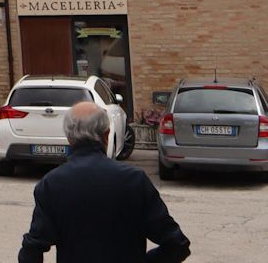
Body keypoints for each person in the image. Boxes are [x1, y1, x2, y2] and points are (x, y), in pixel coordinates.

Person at [18, 101, 190, 263]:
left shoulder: (51, 185)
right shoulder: (134, 181)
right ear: (106, 135)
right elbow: (177, 245)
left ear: (69, 137)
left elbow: (32, 250)